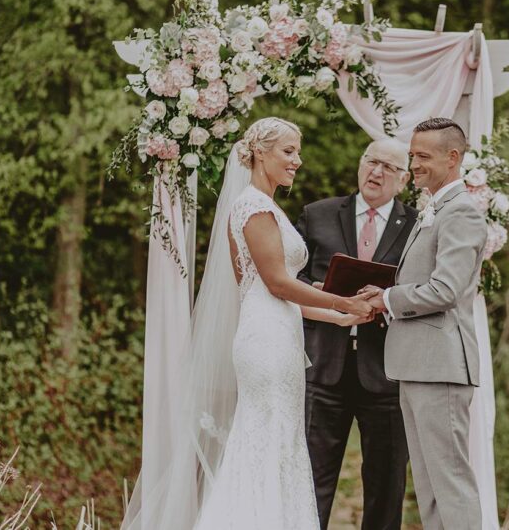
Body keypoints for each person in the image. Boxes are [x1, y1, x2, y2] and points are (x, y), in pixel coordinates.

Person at [191, 117, 377, 530]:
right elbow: (277, 284)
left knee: (280, 441)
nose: (298, 160)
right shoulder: (254, 207)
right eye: (288, 151)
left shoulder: (267, 206)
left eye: (298, 152)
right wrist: (340, 299)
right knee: (268, 440)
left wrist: (339, 315)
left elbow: (275, 295)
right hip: (266, 344)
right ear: (260, 152)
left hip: (279, 335)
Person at [362, 117, 487, 530]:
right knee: (430, 486)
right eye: (412, 155)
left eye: (423, 157)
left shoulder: (461, 213)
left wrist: (387, 299)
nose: (413, 164)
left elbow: (445, 290)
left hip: (441, 366)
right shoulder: (433, 209)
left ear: (453, 158)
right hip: (416, 365)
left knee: (450, 482)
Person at [295, 138, 418, 529]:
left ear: (404, 180)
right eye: (370, 161)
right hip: (323, 367)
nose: (376, 172)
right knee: (310, 479)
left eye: (388, 167)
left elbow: (424, 289)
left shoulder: (417, 226)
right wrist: (321, 291)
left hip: (387, 371)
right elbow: (289, 278)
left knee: (386, 484)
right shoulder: (318, 214)